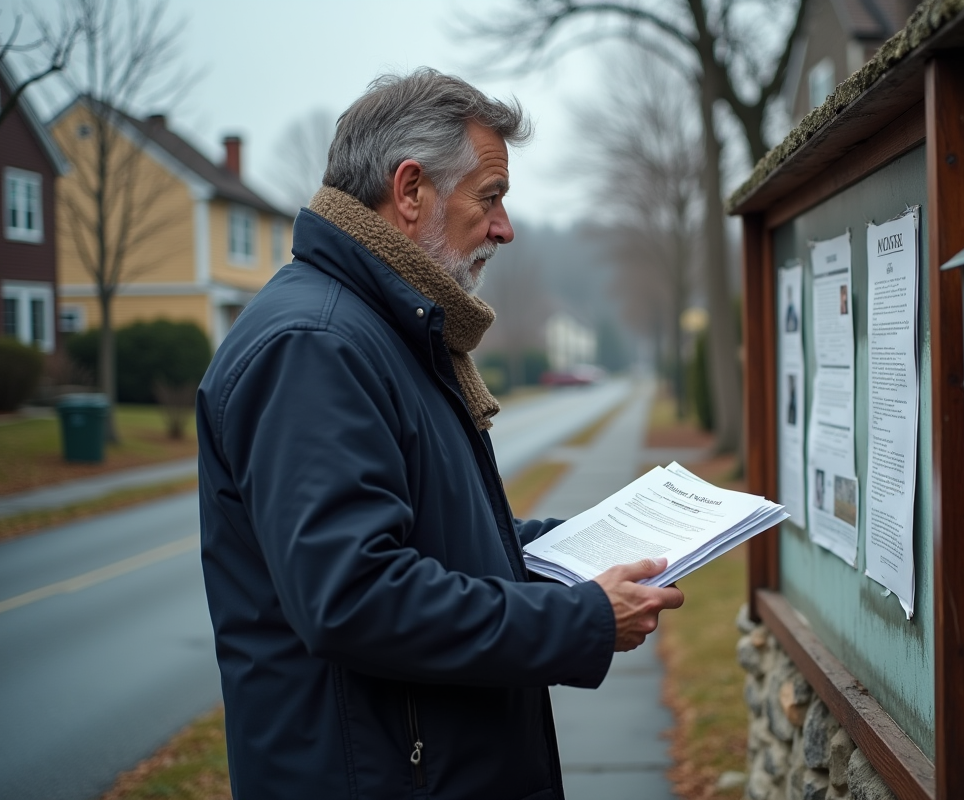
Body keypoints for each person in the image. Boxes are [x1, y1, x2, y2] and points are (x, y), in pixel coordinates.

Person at [196, 69, 684, 800]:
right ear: (411, 189)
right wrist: (580, 619)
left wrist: (585, 548)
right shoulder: (316, 345)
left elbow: (433, 539)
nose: (504, 227)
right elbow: (355, 595)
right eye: (490, 198)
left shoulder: (387, 332)